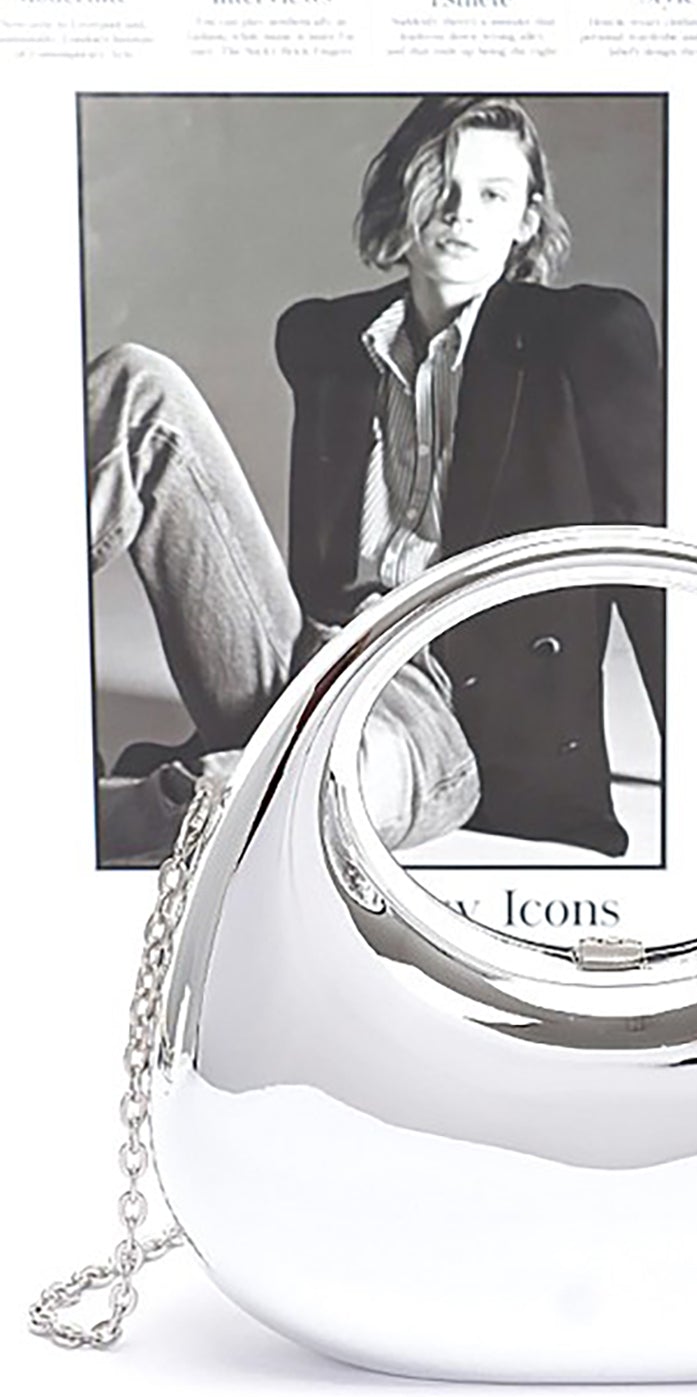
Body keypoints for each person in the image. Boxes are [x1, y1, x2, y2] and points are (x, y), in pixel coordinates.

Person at [88, 94, 665, 866]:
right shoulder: (329, 339)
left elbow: (645, 553)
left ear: (527, 221)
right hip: (302, 656)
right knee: (138, 382)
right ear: (404, 194)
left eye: (492, 194)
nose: (460, 212)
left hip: (437, 712)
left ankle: (76, 815)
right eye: (440, 184)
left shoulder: (580, 340)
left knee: (304, 795)